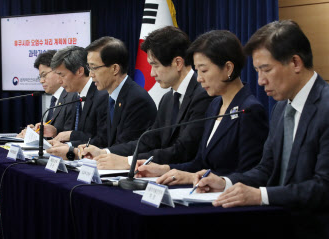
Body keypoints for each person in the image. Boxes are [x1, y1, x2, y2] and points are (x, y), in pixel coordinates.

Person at [194, 20, 329, 238]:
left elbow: (323, 187)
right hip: (278, 223)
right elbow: (266, 169)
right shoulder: (280, 108)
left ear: (295, 62)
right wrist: (226, 182)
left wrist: (261, 196)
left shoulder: (325, 107)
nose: (260, 81)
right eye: (257, 71)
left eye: (266, 69)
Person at [136, 30, 269, 185]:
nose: (199, 78)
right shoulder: (214, 105)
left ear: (228, 68)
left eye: (204, 70)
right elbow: (200, 163)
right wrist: (165, 169)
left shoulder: (250, 110)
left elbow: (249, 174)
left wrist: (208, 180)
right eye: (197, 70)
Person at [78, 26, 214, 169]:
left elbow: (183, 150)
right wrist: (105, 152)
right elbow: (149, 140)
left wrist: (129, 162)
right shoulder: (167, 99)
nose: (151, 74)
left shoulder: (204, 95)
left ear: (178, 63)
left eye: (155, 65)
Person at [48, 37, 157, 159]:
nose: (90, 74)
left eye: (94, 68)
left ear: (114, 69)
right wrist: (72, 148)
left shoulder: (136, 99)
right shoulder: (112, 96)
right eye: (89, 68)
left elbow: (125, 146)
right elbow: (103, 140)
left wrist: (76, 153)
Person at [45, 46, 108, 159]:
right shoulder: (73, 95)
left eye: (62, 75)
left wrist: (69, 145)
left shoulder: (102, 95)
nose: (59, 81)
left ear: (80, 71)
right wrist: (58, 139)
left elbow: (102, 140)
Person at [16, 50, 76, 138]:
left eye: (44, 75)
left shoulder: (72, 97)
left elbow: (69, 135)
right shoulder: (55, 99)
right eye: (40, 77)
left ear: (58, 70)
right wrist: (34, 133)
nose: (41, 81)